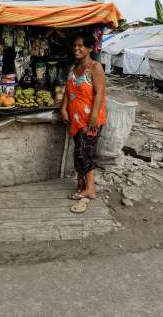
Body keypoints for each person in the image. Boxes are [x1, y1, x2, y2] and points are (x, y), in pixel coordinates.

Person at [61, 30, 106, 204]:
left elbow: (100, 92)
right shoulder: (74, 68)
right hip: (75, 119)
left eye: (80, 45)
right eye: (75, 45)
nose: (76, 48)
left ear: (89, 48)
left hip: (90, 119)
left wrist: (94, 116)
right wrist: (63, 108)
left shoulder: (95, 67)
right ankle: (81, 185)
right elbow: (68, 89)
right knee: (79, 153)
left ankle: (91, 189)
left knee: (83, 152)